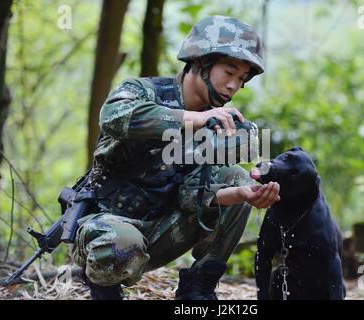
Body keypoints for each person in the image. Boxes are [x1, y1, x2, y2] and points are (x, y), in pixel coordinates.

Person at [71, 15, 280, 300]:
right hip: (107, 231)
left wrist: (240, 194)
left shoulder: (215, 125)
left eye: (241, 79)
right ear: (201, 63)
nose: (234, 86)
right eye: (229, 73)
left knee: (237, 177)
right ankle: (104, 291)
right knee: (120, 243)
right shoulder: (143, 91)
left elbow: (190, 195)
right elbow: (112, 117)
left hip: (160, 232)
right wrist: (191, 118)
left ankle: (198, 289)